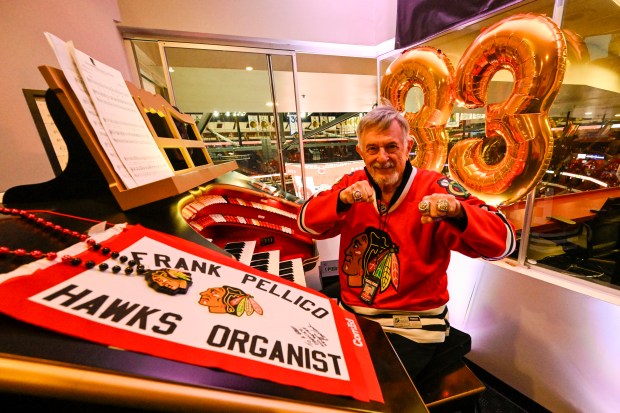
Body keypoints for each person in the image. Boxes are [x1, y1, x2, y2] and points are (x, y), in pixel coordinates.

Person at [296, 100, 516, 384]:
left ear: (408, 146)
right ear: (360, 152)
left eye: (392, 147)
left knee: (370, 393)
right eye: (373, 149)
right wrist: (342, 199)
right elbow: (306, 222)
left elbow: (503, 243)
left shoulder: (435, 189)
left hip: (412, 327)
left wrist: (458, 212)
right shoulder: (352, 184)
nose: (382, 157)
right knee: (316, 379)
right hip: (353, 317)